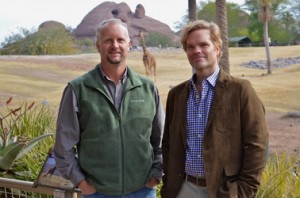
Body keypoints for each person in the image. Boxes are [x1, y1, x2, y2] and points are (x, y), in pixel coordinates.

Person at [54, 18, 165, 198]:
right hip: (97, 193)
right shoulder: (78, 89)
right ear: (98, 46)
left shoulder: (148, 88)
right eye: (108, 41)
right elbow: (63, 146)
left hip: (142, 191)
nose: (115, 45)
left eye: (120, 40)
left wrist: (156, 176)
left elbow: (161, 140)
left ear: (129, 44)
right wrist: (82, 183)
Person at [161, 20, 269, 198]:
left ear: (217, 49)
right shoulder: (177, 94)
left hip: (224, 191)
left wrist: (242, 191)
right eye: (190, 47)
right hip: (183, 189)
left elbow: (257, 144)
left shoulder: (241, 90)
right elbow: (168, 144)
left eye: (204, 44)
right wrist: (169, 184)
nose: (197, 51)